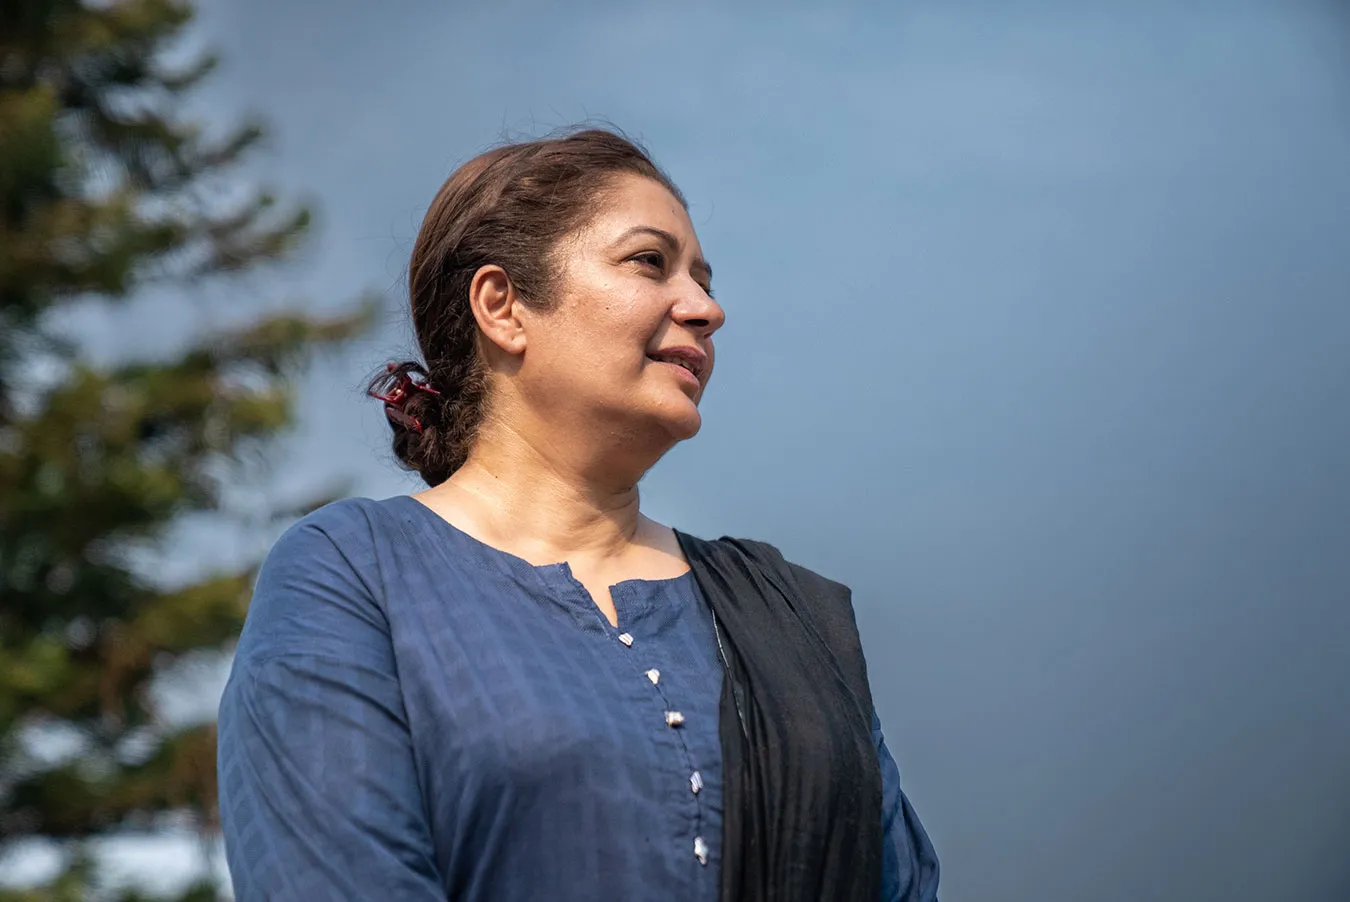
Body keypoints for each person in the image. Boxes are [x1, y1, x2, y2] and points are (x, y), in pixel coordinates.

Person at [216, 128, 940, 901]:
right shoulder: (357, 574)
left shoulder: (788, 614)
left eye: (703, 278)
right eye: (649, 262)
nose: (706, 308)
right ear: (504, 306)